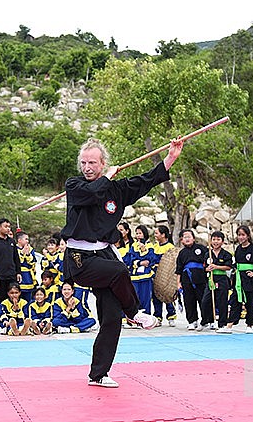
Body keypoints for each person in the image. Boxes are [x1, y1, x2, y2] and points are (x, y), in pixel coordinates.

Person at [61, 136, 183, 388]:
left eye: (93, 162)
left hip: (103, 253)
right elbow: (93, 193)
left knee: (111, 316)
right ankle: (135, 312)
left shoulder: (115, 190)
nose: (87, 167)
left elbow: (146, 181)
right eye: (83, 162)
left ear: (103, 163)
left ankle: (98, 373)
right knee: (119, 270)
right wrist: (106, 178)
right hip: (79, 258)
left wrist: (171, 157)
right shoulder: (74, 186)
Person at [223, 225, 253, 334]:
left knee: (250, 301)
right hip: (238, 278)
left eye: (243, 235)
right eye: (239, 235)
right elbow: (235, 264)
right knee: (235, 300)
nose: (241, 237)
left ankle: (249, 325)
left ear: (248, 236)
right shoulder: (238, 249)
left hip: (249, 277)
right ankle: (230, 324)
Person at [175, 229, 208, 331]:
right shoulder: (182, 253)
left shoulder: (201, 249)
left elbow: (208, 260)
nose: (187, 238)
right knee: (189, 301)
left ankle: (206, 320)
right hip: (186, 279)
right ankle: (192, 321)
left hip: (201, 278)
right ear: (182, 240)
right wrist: (178, 283)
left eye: (189, 236)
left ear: (194, 238)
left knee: (203, 301)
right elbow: (178, 269)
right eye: (185, 237)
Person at [201, 231, 233, 333]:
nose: (216, 242)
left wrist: (216, 266)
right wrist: (208, 269)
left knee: (222, 302)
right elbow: (204, 268)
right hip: (211, 279)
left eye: (218, 239)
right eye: (214, 239)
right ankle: (208, 320)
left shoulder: (226, 254)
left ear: (222, 241)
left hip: (222, 279)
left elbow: (228, 267)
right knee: (205, 301)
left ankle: (222, 324)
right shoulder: (207, 254)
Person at [151, 225, 177, 327]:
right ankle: (158, 317)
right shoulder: (155, 247)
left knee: (167, 294)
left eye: (157, 233)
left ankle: (171, 315)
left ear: (163, 234)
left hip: (166, 275)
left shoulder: (170, 247)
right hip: (155, 274)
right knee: (156, 295)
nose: (155, 235)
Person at [129, 225, 156, 315]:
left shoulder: (150, 245)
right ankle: (135, 317)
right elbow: (131, 259)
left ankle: (146, 317)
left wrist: (144, 251)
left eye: (140, 233)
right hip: (135, 276)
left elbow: (151, 259)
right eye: (136, 233)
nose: (138, 235)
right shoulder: (133, 245)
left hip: (146, 275)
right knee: (135, 296)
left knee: (146, 297)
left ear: (145, 234)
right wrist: (140, 262)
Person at [16, 231, 37, 302]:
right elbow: (16, 262)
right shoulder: (14, 249)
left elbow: (33, 262)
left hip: (28, 277)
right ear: (19, 240)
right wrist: (22, 253)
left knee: (29, 299)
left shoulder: (30, 249)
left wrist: (28, 254)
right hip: (19, 276)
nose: (27, 241)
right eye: (26, 239)